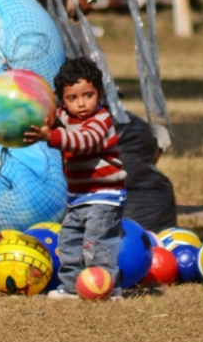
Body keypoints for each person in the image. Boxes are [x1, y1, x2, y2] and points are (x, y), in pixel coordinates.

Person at [24, 56, 127, 300]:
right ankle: (71, 288)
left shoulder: (101, 120)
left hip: (105, 196)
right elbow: (48, 113)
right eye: (73, 98)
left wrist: (52, 137)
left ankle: (108, 290)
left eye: (88, 95)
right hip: (79, 197)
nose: (81, 104)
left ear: (99, 94)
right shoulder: (64, 115)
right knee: (69, 241)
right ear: (63, 100)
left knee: (97, 244)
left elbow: (83, 142)